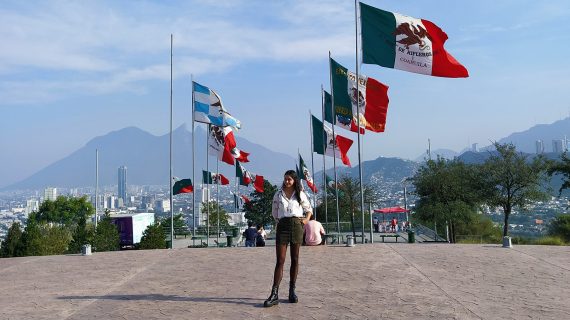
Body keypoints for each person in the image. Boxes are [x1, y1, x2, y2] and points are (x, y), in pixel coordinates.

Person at [264, 170, 312, 307]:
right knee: (280, 260)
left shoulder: (300, 194)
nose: (287, 181)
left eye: (290, 179)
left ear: (294, 180)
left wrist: (305, 221)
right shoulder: (278, 194)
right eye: (285, 179)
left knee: (295, 258)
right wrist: (279, 220)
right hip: (283, 226)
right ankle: (274, 293)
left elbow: (309, 209)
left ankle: (292, 290)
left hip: (297, 225)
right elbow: (274, 211)